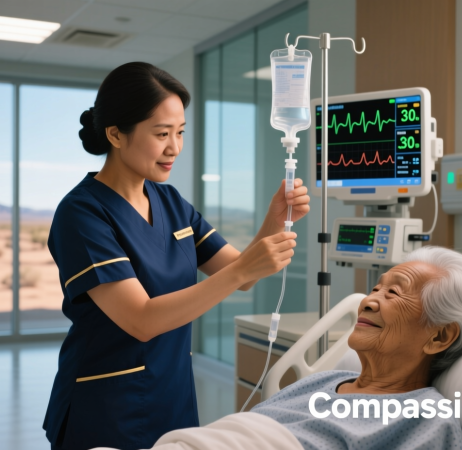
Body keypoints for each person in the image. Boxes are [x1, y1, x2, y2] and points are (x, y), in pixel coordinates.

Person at [42, 62, 310, 450]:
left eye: (180, 132)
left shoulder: (169, 201)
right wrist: (240, 273)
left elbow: (242, 274)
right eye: (162, 133)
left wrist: (274, 218)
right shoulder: (82, 213)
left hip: (173, 396)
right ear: (116, 134)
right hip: (107, 406)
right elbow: (141, 319)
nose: (175, 148)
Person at [146, 246, 462, 450]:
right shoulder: (322, 380)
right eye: (376, 288)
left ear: (439, 337)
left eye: (393, 293)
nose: (369, 301)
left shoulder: (427, 418)